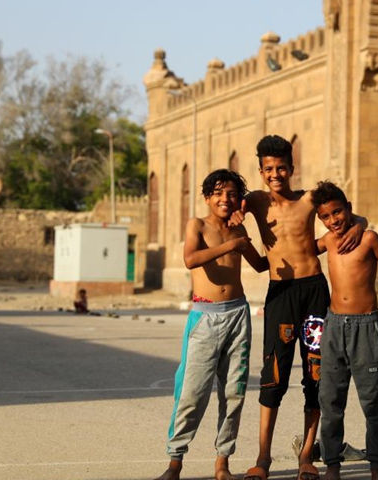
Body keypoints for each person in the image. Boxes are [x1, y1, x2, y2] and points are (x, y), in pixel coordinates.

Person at [229, 135, 366, 480]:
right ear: (261, 171)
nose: (276, 174)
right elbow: (231, 217)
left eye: (281, 168)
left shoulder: (308, 199)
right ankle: (263, 458)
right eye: (268, 169)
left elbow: (351, 214)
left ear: (292, 168)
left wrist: (359, 226)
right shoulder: (255, 202)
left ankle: (307, 454)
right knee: (273, 375)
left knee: (316, 373)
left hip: (314, 293)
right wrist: (236, 223)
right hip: (280, 294)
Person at [155, 169, 269, 480]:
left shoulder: (237, 230)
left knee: (234, 393)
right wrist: (230, 246)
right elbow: (190, 259)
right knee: (192, 392)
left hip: (237, 315)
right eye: (218, 193)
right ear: (207, 198)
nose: (224, 199)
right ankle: (174, 462)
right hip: (204, 317)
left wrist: (251, 239)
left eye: (231, 194)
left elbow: (261, 265)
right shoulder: (198, 225)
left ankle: (222, 463)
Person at [311, 181, 378, 480]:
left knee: (372, 400)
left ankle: (377, 465)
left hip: (365, 326)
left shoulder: (368, 239)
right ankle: (332, 465)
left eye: (338, 212)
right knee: (330, 400)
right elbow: (300, 246)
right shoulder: (327, 241)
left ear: (349, 208)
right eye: (326, 217)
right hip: (333, 326)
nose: (334, 220)